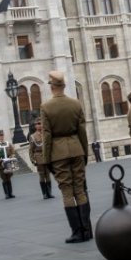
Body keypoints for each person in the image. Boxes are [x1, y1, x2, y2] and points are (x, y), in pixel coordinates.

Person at [41, 70, 91, 243]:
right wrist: (85, 152)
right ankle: (86, 230)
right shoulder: (75, 104)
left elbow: (46, 136)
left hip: (58, 153)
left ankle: (77, 232)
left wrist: (46, 159)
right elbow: (82, 131)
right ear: (63, 86)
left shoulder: (46, 107)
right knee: (80, 189)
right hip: (77, 149)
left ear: (52, 87)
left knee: (67, 192)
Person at [29, 119, 55, 199]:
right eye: (38, 124)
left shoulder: (46, 134)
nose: (40, 125)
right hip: (39, 156)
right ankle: (44, 193)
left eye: (41, 123)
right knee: (41, 175)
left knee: (48, 175)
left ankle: (49, 193)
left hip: (46, 156)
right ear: (35, 126)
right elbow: (31, 150)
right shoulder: (33, 136)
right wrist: (33, 160)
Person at [0, 130, 16, 199]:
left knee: (9, 178)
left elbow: (13, 152)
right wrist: (0, 161)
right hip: (2, 164)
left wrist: (11, 157)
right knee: (4, 179)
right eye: (0, 135)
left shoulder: (8, 144)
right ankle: (6, 194)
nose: (1, 136)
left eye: (2, 135)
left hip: (8, 163)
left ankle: (10, 193)